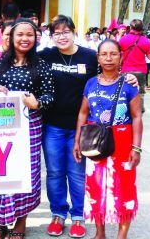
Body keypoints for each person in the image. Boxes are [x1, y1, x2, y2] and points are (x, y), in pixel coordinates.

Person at [0, 19, 55, 239]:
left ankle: (21, 221)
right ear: (11, 38)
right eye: (20, 34)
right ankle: (1, 222)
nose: (25, 39)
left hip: (29, 127)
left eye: (30, 35)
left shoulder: (41, 65)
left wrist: (38, 103)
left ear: (36, 38)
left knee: (25, 173)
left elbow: (50, 96)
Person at [73, 39, 143, 239]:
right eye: (104, 54)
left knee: (125, 189)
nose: (109, 58)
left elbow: (137, 116)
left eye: (113, 53)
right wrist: (77, 141)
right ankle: (100, 233)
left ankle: (122, 235)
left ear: (121, 56)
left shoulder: (129, 85)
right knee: (95, 187)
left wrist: (136, 148)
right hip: (96, 142)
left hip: (123, 142)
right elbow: (82, 114)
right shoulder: (91, 83)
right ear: (98, 57)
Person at [39, 15, 97, 238]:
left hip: (79, 127)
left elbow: (109, 75)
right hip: (52, 126)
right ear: (51, 36)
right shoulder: (46, 56)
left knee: (76, 173)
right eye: (56, 33)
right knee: (54, 172)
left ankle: (78, 216)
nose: (61, 36)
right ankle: (57, 214)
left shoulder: (89, 57)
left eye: (65, 32)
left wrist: (129, 78)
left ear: (74, 32)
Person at [119, 19, 150, 112]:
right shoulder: (146, 41)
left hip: (126, 70)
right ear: (141, 28)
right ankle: (139, 109)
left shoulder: (123, 40)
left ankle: (125, 110)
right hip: (140, 71)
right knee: (140, 92)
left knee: (125, 91)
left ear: (130, 27)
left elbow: (119, 55)